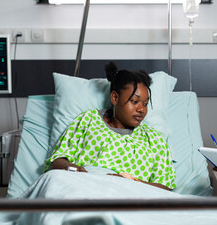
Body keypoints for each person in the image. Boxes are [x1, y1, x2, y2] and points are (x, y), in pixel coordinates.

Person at [45, 62, 176, 191]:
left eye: (145, 104)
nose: (141, 109)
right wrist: (72, 168)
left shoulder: (154, 140)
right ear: (114, 98)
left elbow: (165, 189)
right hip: (82, 187)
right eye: (135, 102)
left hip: (129, 195)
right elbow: (57, 161)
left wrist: (130, 182)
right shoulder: (88, 120)